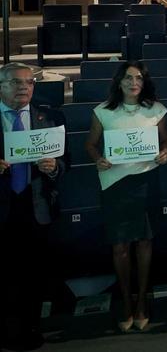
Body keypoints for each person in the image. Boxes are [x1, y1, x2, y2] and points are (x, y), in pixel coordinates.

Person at [84, 62, 167, 331]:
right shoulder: (103, 111)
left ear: (144, 83)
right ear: (119, 82)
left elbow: (166, 141)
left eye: (139, 78)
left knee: (144, 242)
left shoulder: (155, 109)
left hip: (145, 180)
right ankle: (126, 302)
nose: (134, 82)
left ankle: (142, 301)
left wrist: (166, 153)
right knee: (120, 246)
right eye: (128, 78)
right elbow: (90, 144)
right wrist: (98, 159)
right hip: (115, 183)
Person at [0, 63, 68, 350]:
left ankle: (29, 327)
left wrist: (54, 168)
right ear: (1, 85)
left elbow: (67, 163)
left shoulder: (49, 116)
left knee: (33, 272)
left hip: (36, 205)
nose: (24, 88)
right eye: (16, 83)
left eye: (29, 83)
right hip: (3, 206)